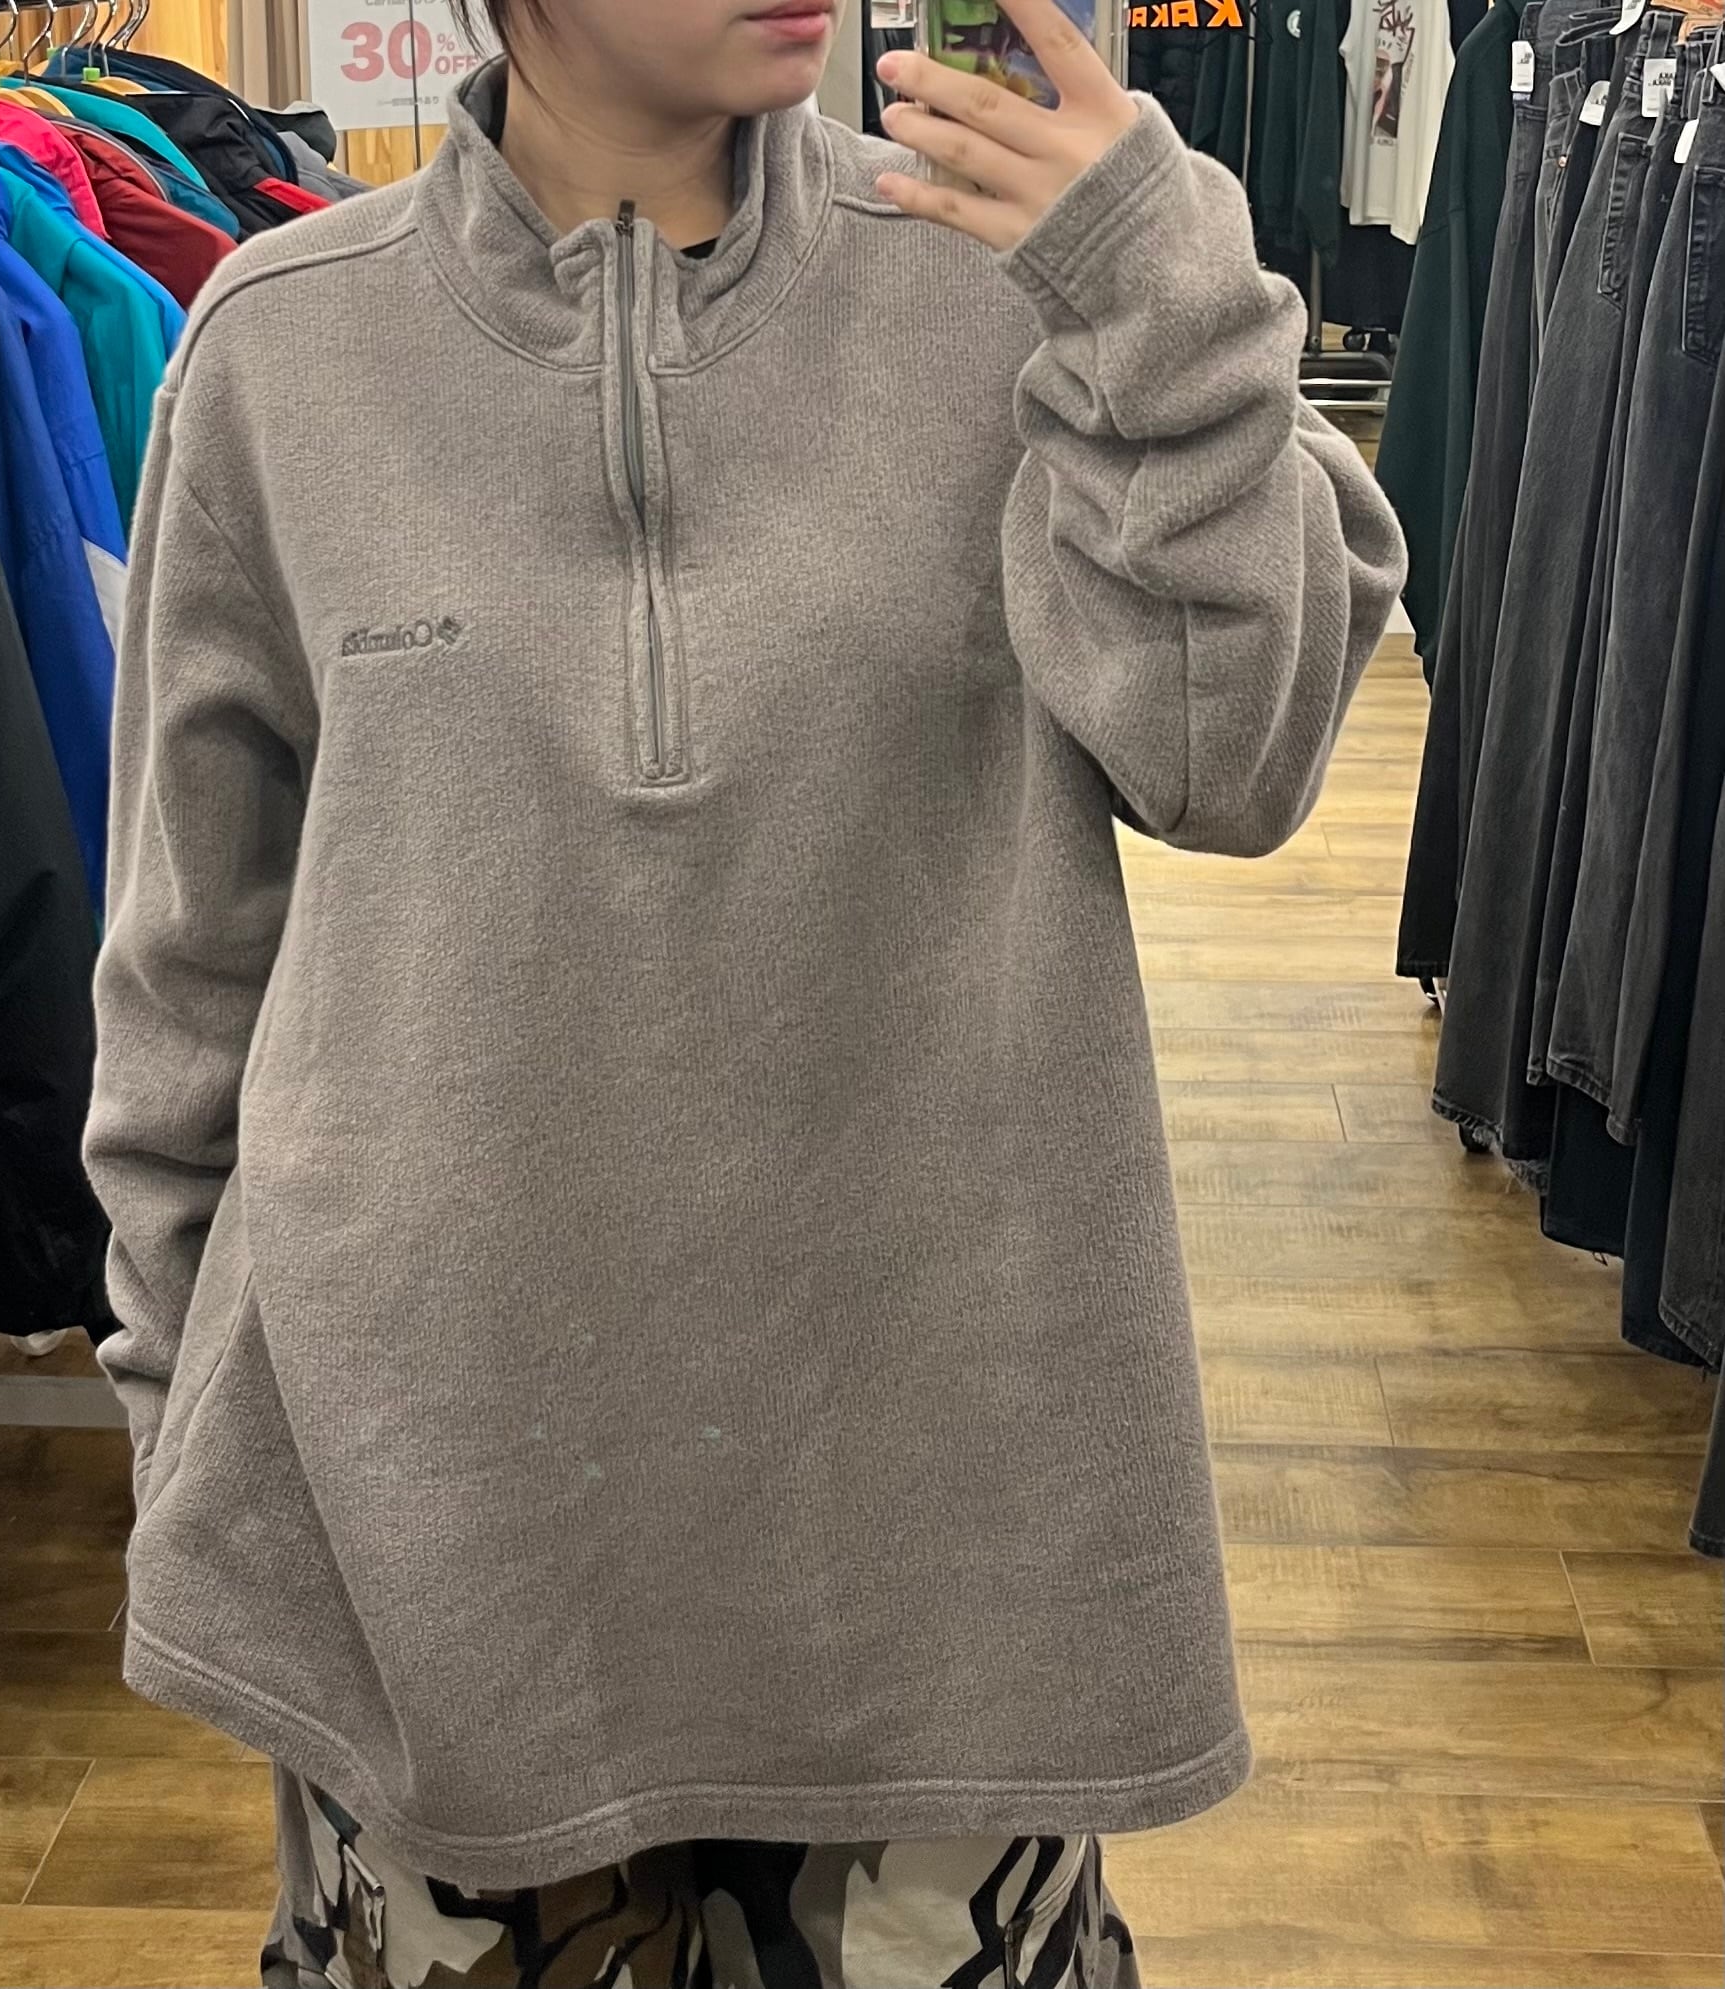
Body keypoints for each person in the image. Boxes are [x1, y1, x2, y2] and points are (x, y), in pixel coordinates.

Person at [84, 0, 1405, 1982]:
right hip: (435, 1549)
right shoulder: (280, 348)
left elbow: (1230, 758)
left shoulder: (1007, 283)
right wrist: (182, 1435)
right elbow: (190, 967)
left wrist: (1158, 303)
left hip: (936, 1563)